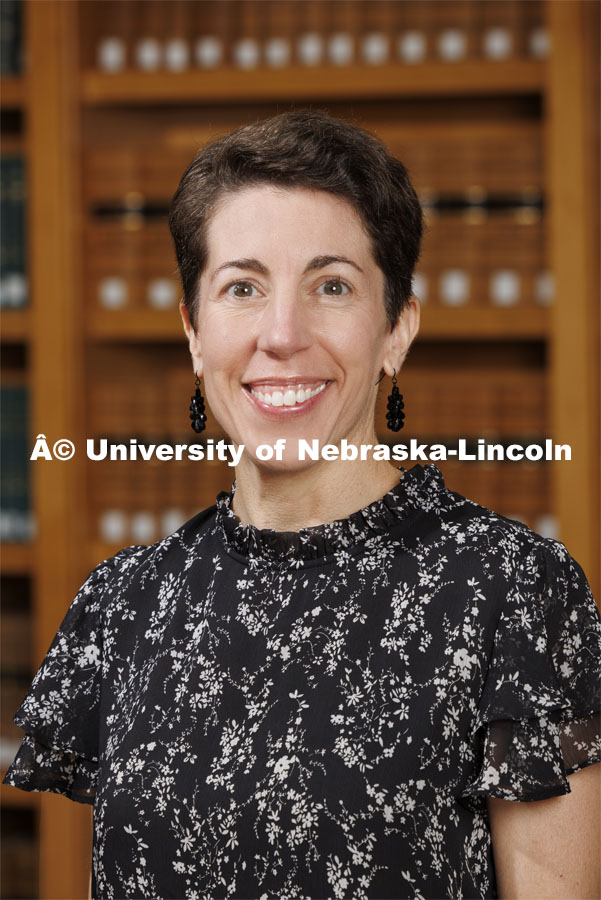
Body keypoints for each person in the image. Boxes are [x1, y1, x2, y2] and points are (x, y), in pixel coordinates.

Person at [3, 110, 600, 900]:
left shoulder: (512, 589)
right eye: (242, 288)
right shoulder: (123, 602)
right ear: (193, 331)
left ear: (396, 329)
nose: (281, 334)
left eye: (331, 286)